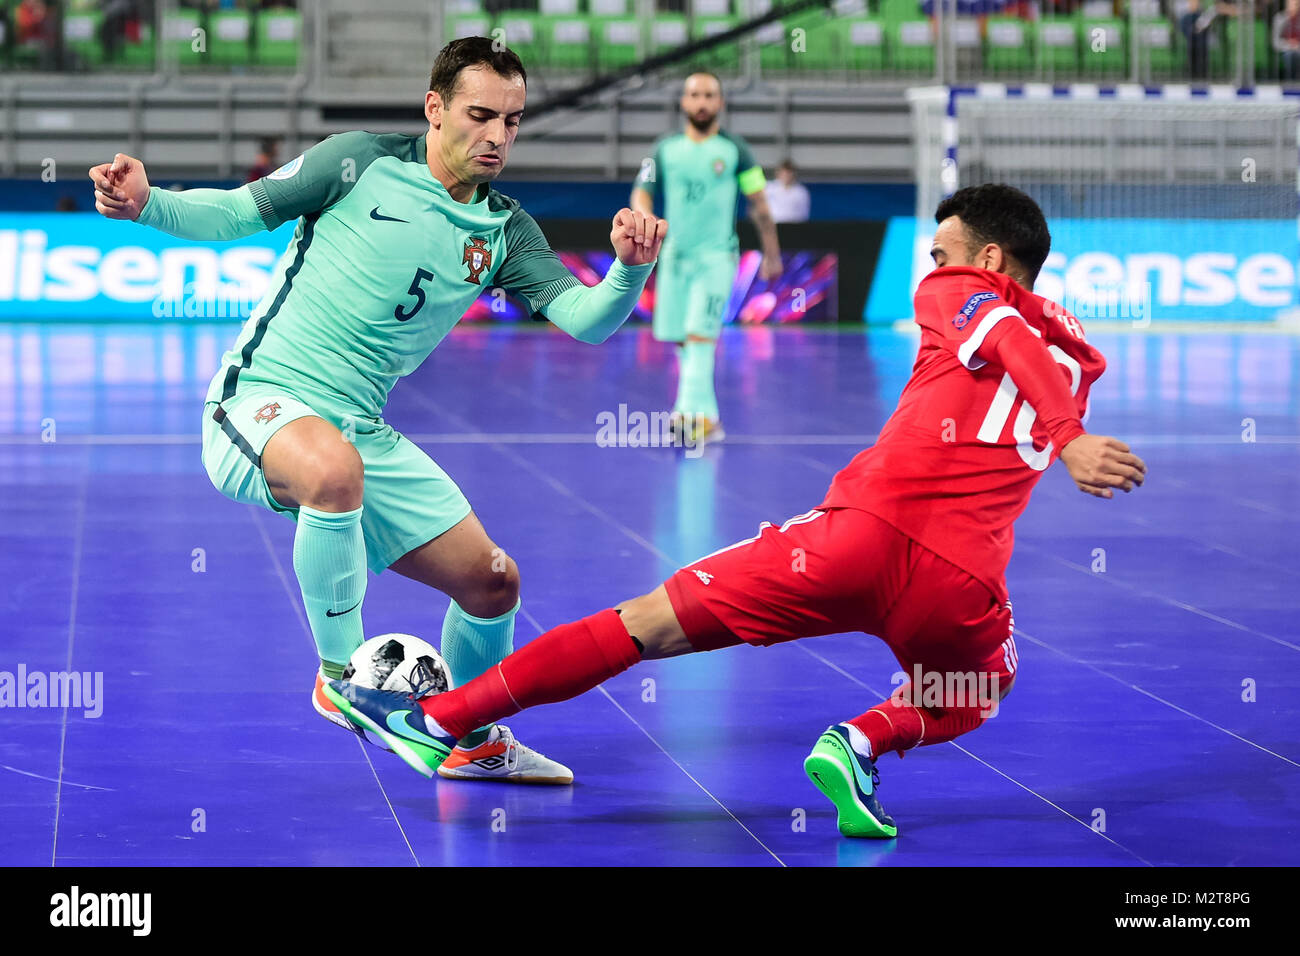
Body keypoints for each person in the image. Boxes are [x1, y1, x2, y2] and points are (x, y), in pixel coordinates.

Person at [325, 183, 1147, 837]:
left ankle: (441, 719)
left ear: (990, 258)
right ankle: (860, 742)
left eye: (943, 251)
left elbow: (1000, 332)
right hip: (961, 586)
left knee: (646, 622)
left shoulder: (962, 292)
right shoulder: (1076, 355)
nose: (930, 265)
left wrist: (1070, 439)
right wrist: (1067, 426)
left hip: (852, 542)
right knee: (981, 683)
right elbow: (1022, 344)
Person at [88, 37, 666, 784]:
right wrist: (146, 203)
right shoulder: (358, 161)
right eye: (479, 115)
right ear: (435, 108)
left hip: (360, 430)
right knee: (333, 471)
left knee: (493, 582)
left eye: (513, 122)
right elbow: (236, 214)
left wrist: (628, 270)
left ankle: (470, 735)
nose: (496, 137)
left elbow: (586, 320)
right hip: (262, 398)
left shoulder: (505, 229)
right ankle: (342, 676)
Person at [631, 71, 782, 448]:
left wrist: (772, 252)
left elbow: (760, 205)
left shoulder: (737, 152)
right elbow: (641, 192)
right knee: (685, 340)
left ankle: (683, 417)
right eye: (694, 95)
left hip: (717, 257)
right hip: (676, 257)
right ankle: (709, 419)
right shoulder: (662, 150)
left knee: (700, 333)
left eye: (709, 95)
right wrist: (645, 219)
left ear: (721, 103)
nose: (701, 102)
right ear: (683, 102)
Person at [764, 159, 810, 225]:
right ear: (778, 173)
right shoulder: (768, 188)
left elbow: (804, 214)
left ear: (793, 174)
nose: (786, 175)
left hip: (794, 228)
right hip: (773, 227)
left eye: (789, 173)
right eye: (784, 172)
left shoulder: (801, 192)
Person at [1274, 0, 1300, 80]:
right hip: (1286, 49)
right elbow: (1276, 41)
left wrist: (1297, 45)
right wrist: (1289, 44)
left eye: (1295, 4)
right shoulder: (1279, 18)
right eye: (1290, 4)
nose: (1292, 6)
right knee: (1290, 55)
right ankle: (1290, 81)